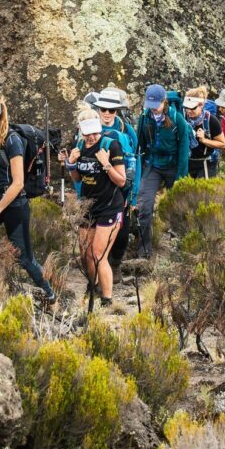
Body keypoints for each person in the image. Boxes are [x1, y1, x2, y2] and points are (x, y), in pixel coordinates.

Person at [0, 97, 55, 302]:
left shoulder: (13, 142)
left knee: (25, 258)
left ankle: (50, 294)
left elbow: (18, 183)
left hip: (14, 204)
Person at [62, 107, 126, 306]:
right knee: (85, 254)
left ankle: (107, 300)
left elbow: (121, 180)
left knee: (99, 255)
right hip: (88, 206)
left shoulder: (111, 145)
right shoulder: (79, 145)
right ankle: (93, 287)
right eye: (87, 133)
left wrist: (106, 164)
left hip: (110, 206)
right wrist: (71, 164)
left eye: (95, 132)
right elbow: (77, 178)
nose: (91, 137)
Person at [136, 84, 189, 258]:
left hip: (173, 165)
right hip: (153, 166)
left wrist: (181, 178)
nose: (153, 109)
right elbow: (140, 145)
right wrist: (140, 172)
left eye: (156, 105)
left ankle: (181, 246)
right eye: (150, 105)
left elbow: (183, 150)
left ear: (164, 101)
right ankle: (144, 249)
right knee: (144, 206)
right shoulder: (144, 118)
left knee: (179, 207)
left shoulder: (177, 119)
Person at [92, 88, 140, 283]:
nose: (106, 113)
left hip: (121, 189)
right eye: (103, 109)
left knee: (122, 232)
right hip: (95, 189)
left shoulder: (127, 130)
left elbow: (135, 162)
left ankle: (115, 264)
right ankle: (97, 272)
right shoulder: (89, 128)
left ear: (116, 111)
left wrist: (133, 195)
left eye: (111, 110)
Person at [183, 86, 225, 179]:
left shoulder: (211, 121)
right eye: (186, 107)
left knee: (203, 189)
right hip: (188, 162)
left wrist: (204, 140)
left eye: (192, 108)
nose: (189, 111)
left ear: (201, 105)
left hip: (206, 164)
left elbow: (222, 144)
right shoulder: (183, 118)